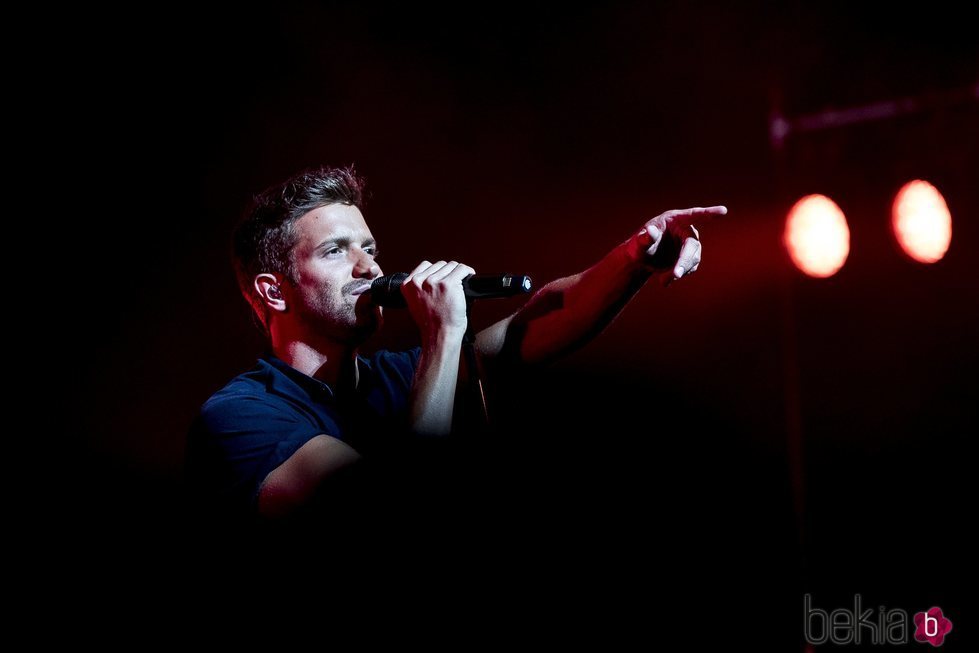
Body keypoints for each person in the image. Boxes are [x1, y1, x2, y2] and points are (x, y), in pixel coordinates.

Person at [184, 164, 725, 531]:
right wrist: (444, 336)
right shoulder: (243, 417)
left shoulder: (395, 377)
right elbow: (397, 506)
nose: (369, 268)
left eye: (369, 248)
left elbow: (539, 321)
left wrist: (636, 257)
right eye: (335, 251)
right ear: (273, 289)